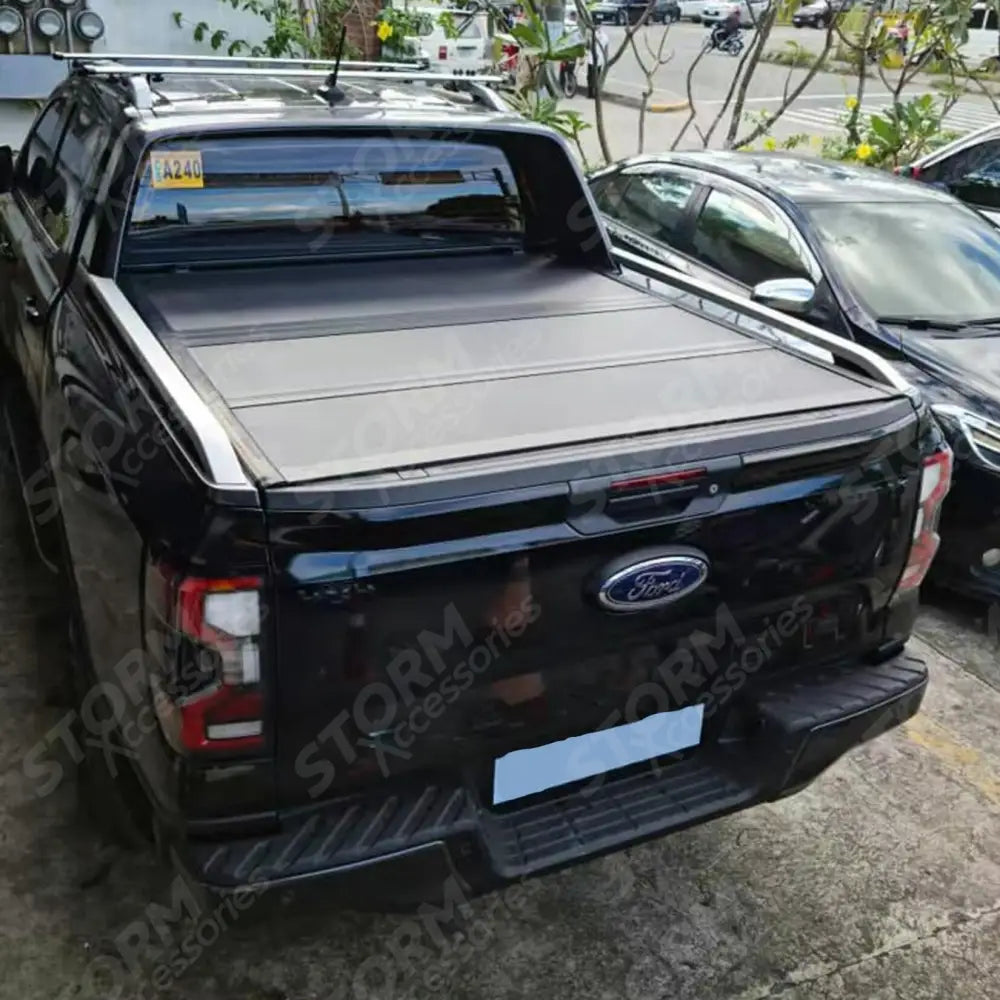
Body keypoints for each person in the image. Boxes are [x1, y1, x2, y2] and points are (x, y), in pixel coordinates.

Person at [586, 23, 610, 98]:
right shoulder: (605, 37)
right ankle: (596, 94)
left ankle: (590, 94)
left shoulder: (592, 36)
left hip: (591, 59)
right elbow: (606, 50)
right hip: (600, 60)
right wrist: (606, 60)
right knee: (597, 77)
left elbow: (588, 46)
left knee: (590, 77)